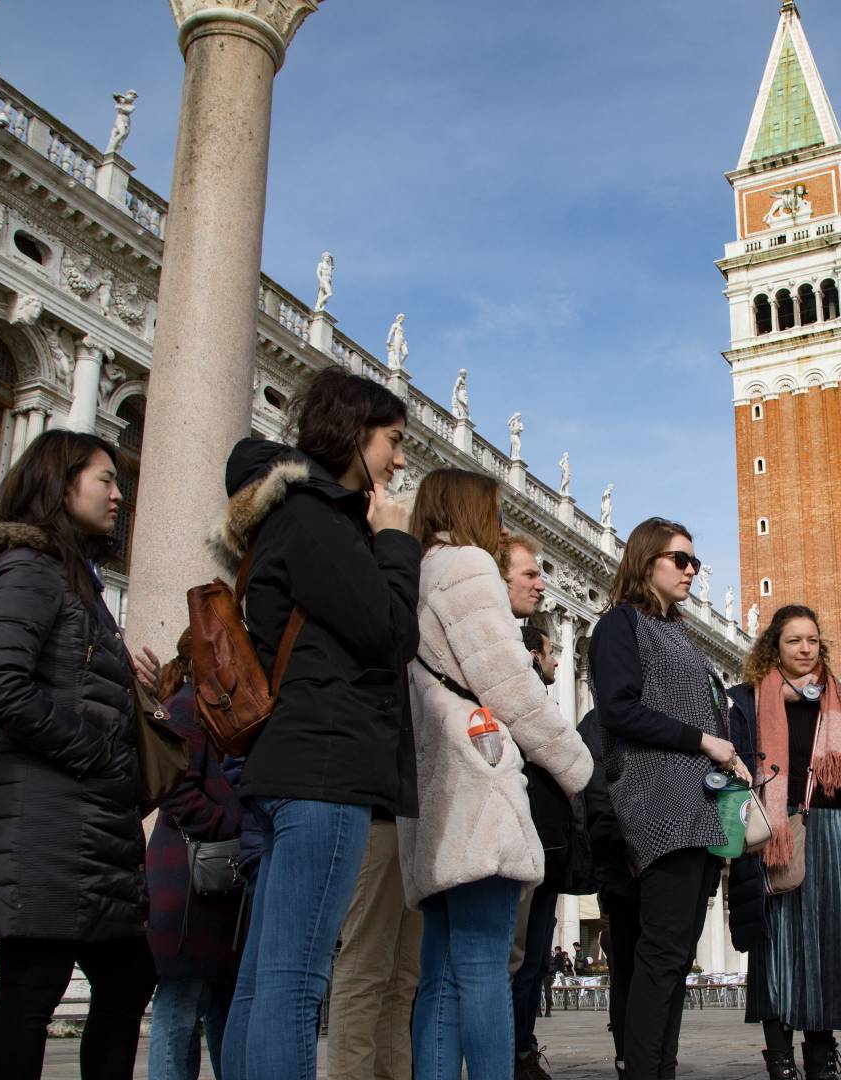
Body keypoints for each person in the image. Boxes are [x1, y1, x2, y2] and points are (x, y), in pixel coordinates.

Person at [215, 369, 417, 1080]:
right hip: (326, 767)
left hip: (289, 766)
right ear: (354, 433)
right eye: (393, 442)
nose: (398, 460)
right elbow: (390, 633)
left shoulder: (288, 520)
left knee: (263, 981)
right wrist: (393, 542)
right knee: (297, 983)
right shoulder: (317, 518)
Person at [0, 429, 156, 1080]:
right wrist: (98, 754)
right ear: (61, 485)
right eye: (105, 480)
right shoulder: (28, 567)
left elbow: (72, 680)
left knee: (124, 980)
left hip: (81, 825)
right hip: (44, 822)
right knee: (34, 991)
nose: (120, 495)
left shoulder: (72, 579)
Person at [400, 467, 592, 1080]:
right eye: (497, 513)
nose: (503, 527)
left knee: (441, 970)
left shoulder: (419, 570)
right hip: (476, 790)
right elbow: (510, 686)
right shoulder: (467, 567)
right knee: (483, 966)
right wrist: (576, 762)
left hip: (433, 788)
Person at [588, 517, 747, 1080]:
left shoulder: (677, 632)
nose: (690, 571)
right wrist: (707, 741)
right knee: (659, 957)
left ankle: (660, 1068)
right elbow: (619, 710)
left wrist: (727, 752)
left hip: (697, 810)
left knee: (674, 958)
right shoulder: (618, 625)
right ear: (645, 561)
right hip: (661, 807)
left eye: (694, 562)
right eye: (680, 560)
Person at [724, 605, 841, 1080]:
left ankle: (821, 1057)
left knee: (827, 947)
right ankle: (779, 1060)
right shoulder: (749, 703)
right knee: (773, 947)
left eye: (812, 640)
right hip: (773, 836)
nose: (805, 648)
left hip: (834, 837)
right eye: (794, 640)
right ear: (774, 646)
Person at [141, 634, 245, 1080]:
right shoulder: (185, 709)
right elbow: (175, 786)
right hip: (186, 880)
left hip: (210, 876)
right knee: (180, 1000)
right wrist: (229, 826)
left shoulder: (210, 713)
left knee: (220, 998)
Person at [501, 536, 566, 1080]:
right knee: (518, 960)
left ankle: (516, 1049)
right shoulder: (520, 690)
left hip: (538, 844)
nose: (556, 662)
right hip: (526, 843)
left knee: (522, 959)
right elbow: (565, 758)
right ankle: (515, 1052)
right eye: (553, 654)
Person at [577, 706, 636, 1078]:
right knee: (627, 966)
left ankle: (656, 1054)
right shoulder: (597, 724)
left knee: (659, 966)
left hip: (657, 862)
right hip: (621, 867)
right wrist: (625, 850)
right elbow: (597, 799)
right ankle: (628, 1056)